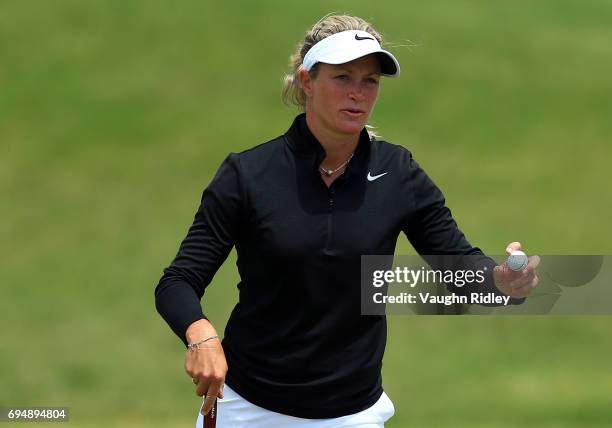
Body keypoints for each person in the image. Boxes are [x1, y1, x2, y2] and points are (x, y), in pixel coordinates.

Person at [154, 14, 539, 428]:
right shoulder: (248, 175)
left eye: (370, 81)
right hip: (248, 409)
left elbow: (457, 264)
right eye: (343, 78)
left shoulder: (399, 172)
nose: (358, 93)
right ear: (307, 81)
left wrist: (501, 282)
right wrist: (201, 336)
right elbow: (178, 281)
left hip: (353, 416)